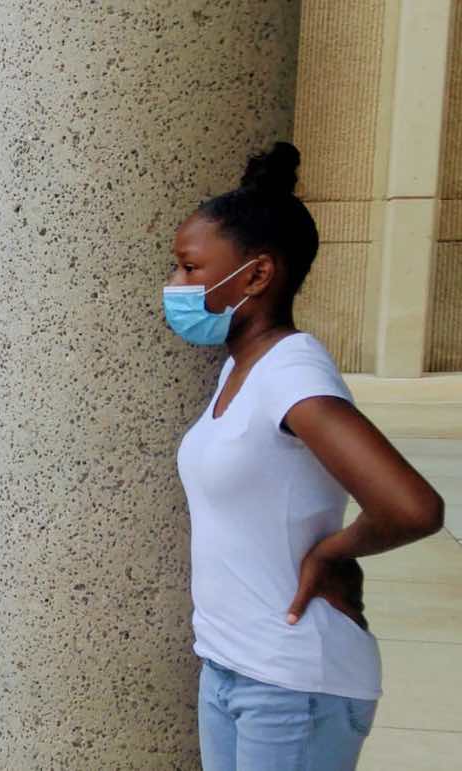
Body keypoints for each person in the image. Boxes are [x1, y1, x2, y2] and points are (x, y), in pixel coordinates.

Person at [165, 142, 444, 770]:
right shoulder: (243, 365)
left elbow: (412, 507)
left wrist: (331, 552)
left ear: (257, 275)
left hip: (292, 684)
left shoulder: (292, 371)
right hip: (232, 667)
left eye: (189, 268)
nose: (175, 285)